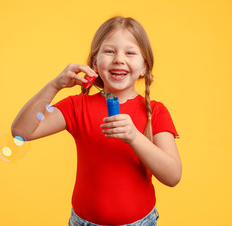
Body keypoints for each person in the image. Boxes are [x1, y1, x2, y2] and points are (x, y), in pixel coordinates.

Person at [11, 16, 182, 226]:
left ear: (144, 67)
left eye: (130, 52)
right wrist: (55, 85)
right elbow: (21, 132)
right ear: (94, 63)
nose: (119, 59)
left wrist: (134, 137)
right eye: (109, 51)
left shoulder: (155, 112)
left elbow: (173, 176)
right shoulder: (77, 106)